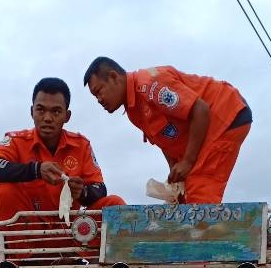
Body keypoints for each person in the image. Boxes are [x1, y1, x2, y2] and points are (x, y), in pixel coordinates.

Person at [83, 57, 251, 204]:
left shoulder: (150, 85)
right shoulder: (133, 110)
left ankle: (205, 238)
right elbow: (165, 140)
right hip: (203, 132)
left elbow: (200, 110)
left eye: (99, 91)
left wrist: (188, 162)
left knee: (200, 195)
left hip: (225, 115)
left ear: (113, 77)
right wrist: (175, 173)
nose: (99, 99)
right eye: (94, 96)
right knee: (182, 199)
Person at [0, 77, 126, 223]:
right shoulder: (15, 140)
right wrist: (36, 170)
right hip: (27, 231)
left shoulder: (81, 145)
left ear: (67, 116)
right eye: (40, 110)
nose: (47, 118)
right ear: (31, 111)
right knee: (4, 191)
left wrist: (82, 192)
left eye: (56, 111)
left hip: (74, 230)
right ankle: (17, 247)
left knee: (115, 204)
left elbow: (100, 189)